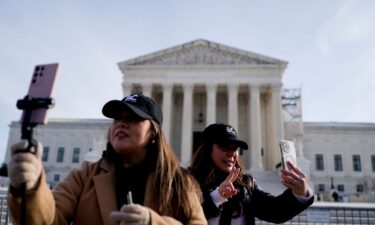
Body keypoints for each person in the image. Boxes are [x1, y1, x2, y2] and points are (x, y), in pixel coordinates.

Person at [8, 94, 207, 225]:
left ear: (154, 132)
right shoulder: (85, 175)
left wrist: (152, 222)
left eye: (133, 118)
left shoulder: (179, 181)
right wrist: (31, 188)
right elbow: (50, 219)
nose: (121, 123)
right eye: (117, 118)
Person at [188, 123, 314, 225]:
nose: (232, 153)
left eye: (235, 148)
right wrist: (216, 197)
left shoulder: (245, 184)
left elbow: (274, 211)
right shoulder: (187, 181)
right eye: (225, 146)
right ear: (207, 149)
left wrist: (300, 193)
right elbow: (181, 214)